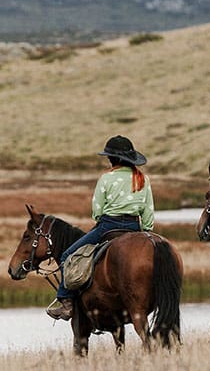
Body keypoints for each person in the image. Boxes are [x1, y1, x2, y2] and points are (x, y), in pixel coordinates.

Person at [46, 135, 155, 320]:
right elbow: (148, 211)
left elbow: (97, 210)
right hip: (134, 227)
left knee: (67, 256)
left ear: (113, 159)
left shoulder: (106, 179)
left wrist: (101, 218)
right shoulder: (142, 179)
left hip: (108, 226)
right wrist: (145, 230)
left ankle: (66, 303)